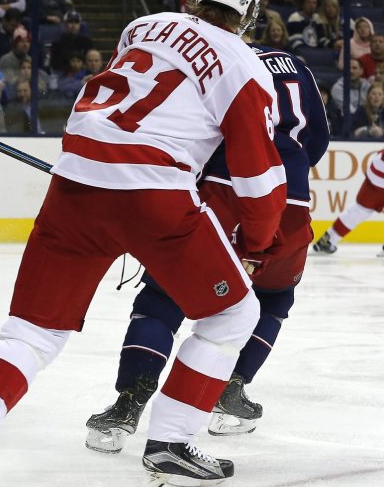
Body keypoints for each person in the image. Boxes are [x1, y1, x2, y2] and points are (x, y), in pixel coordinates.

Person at [0, 0, 287, 485]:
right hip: (156, 195)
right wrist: (260, 244)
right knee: (233, 314)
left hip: (74, 186)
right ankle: (171, 441)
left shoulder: (143, 25)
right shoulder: (245, 65)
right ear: (250, 13)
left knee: (31, 332)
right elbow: (257, 176)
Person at [84, 36, 329, 455]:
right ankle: (231, 388)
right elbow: (318, 142)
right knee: (273, 299)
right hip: (290, 199)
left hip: (226, 193)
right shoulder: (296, 66)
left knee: (162, 298)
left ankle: (130, 400)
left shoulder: (211, 60)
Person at [312, 149, 384, 255]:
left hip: (378, 169)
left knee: (359, 210)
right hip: (379, 171)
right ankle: (327, 241)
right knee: (360, 210)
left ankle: (327, 240)